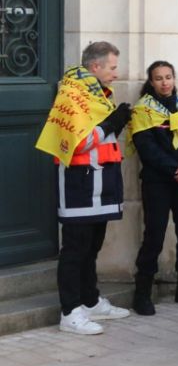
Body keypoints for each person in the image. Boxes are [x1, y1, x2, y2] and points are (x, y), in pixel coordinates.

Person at [35, 42, 133, 335]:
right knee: (75, 250)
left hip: (102, 182)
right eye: (112, 67)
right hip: (79, 184)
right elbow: (78, 142)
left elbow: (100, 139)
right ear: (95, 67)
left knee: (92, 248)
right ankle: (70, 312)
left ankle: (90, 301)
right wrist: (113, 122)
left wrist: (114, 123)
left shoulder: (98, 93)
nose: (116, 73)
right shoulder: (72, 93)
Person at [129, 61, 178, 316]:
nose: (165, 82)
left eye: (168, 77)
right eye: (158, 78)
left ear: (174, 79)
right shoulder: (143, 110)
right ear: (151, 82)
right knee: (154, 236)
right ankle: (142, 294)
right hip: (158, 182)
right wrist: (175, 170)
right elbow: (147, 148)